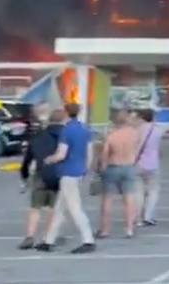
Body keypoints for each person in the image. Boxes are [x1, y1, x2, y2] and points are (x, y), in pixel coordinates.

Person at [38, 101, 97, 253]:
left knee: (74, 208)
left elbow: (61, 154)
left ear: (66, 112)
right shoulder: (84, 129)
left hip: (68, 172)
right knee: (59, 208)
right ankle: (48, 240)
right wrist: (86, 169)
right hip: (78, 170)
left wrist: (49, 159)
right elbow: (89, 151)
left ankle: (88, 239)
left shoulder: (67, 131)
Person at [18, 108, 66, 249]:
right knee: (54, 208)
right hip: (60, 174)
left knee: (35, 207)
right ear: (64, 120)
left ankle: (29, 236)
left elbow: (28, 158)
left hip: (41, 174)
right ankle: (48, 237)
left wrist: (25, 174)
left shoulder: (39, 135)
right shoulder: (66, 136)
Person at [97, 110, 140, 238]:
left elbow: (105, 153)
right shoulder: (134, 134)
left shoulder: (111, 136)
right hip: (129, 166)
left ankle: (105, 229)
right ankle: (129, 228)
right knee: (129, 199)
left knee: (108, 199)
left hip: (113, 166)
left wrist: (102, 167)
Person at [134, 108, 165, 226]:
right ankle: (148, 216)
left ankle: (138, 219)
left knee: (139, 192)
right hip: (153, 164)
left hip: (138, 163)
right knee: (153, 191)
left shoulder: (137, 130)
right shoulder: (158, 130)